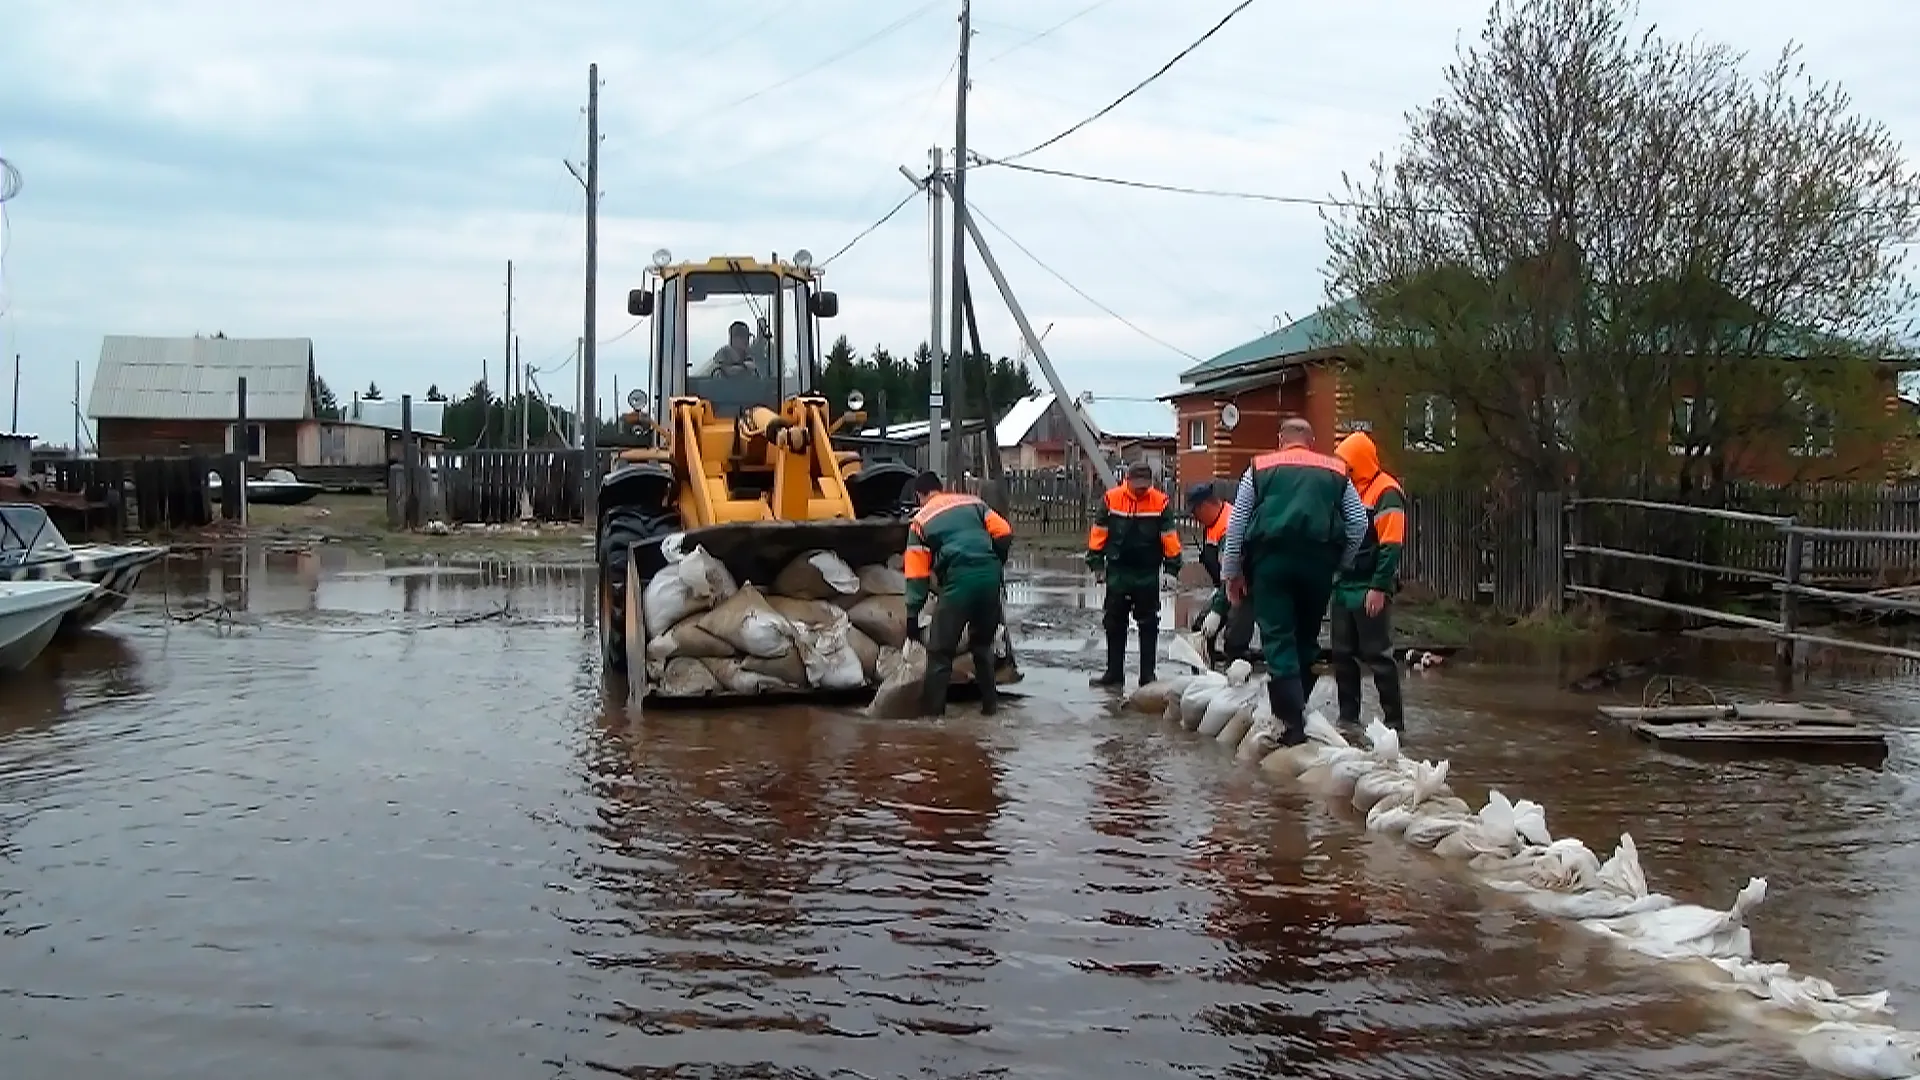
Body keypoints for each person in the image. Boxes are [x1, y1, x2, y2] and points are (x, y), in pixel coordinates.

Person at [1220, 418, 1369, 746]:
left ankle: (1290, 727)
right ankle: (1296, 714)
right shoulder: (1336, 469)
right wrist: (1339, 564)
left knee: (1278, 640)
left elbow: (1237, 524)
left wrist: (1232, 573)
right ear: (1312, 442)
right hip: (1318, 565)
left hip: (1271, 564)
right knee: (1306, 640)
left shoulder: (1260, 467)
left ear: (1280, 440)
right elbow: (1358, 523)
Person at [902, 470, 1014, 716]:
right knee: (983, 646)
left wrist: (912, 614)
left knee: (941, 652)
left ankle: (934, 719)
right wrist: (996, 561)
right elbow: (1004, 532)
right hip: (989, 578)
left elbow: (917, 574)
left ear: (920, 495)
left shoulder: (921, 521)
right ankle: (990, 709)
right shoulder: (973, 503)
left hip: (959, 583)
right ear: (940, 488)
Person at [1331, 431, 1407, 732]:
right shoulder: (1347, 492)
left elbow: (1391, 545)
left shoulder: (1386, 492)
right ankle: (1348, 719)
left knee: (1378, 656)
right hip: (1344, 584)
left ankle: (1394, 724)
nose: (1342, 471)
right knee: (1342, 655)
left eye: (1346, 465)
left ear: (1357, 463)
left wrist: (1378, 587)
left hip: (1369, 585)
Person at [1087, 462, 1183, 688]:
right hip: (1119, 570)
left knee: (1149, 623)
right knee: (1114, 621)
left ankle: (1147, 676)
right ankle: (1114, 673)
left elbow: (1169, 537)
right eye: (1137, 485)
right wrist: (1096, 563)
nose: (1141, 490)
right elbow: (1099, 532)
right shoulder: (1112, 500)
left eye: (1144, 486)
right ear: (1127, 480)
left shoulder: (1160, 502)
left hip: (1147, 572)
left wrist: (1171, 569)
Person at [1187, 481, 1256, 661]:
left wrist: (1218, 610)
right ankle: (1208, 657)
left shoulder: (1229, 526)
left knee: (1235, 636)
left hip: (1245, 587)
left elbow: (1232, 574)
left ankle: (1237, 658)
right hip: (1226, 586)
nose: (1195, 519)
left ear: (1205, 506)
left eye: (1195, 512)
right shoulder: (1213, 524)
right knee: (1201, 627)